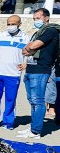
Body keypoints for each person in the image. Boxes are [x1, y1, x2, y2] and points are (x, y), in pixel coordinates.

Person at [20, 8, 59, 139]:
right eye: (34, 19)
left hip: (41, 70)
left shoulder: (51, 31)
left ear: (46, 18)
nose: (36, 21)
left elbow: (31, 47)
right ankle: (33, 127)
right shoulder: (38, 33)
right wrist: (28, 48)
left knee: (38, 101)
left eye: (38, 18)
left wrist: (29, 48)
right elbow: (25, 50)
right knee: (32, 101)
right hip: (30, 69)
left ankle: (36, 130)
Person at [0, 15, 28, 129]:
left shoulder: (26, 38)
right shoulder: (0, 36)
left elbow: (31, 52)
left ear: (19, 24)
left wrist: (26, 62)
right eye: (8, 24)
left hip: (13, 75)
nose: (10, 26)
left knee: (10, 99)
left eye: (13, 24)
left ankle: (8, 122)